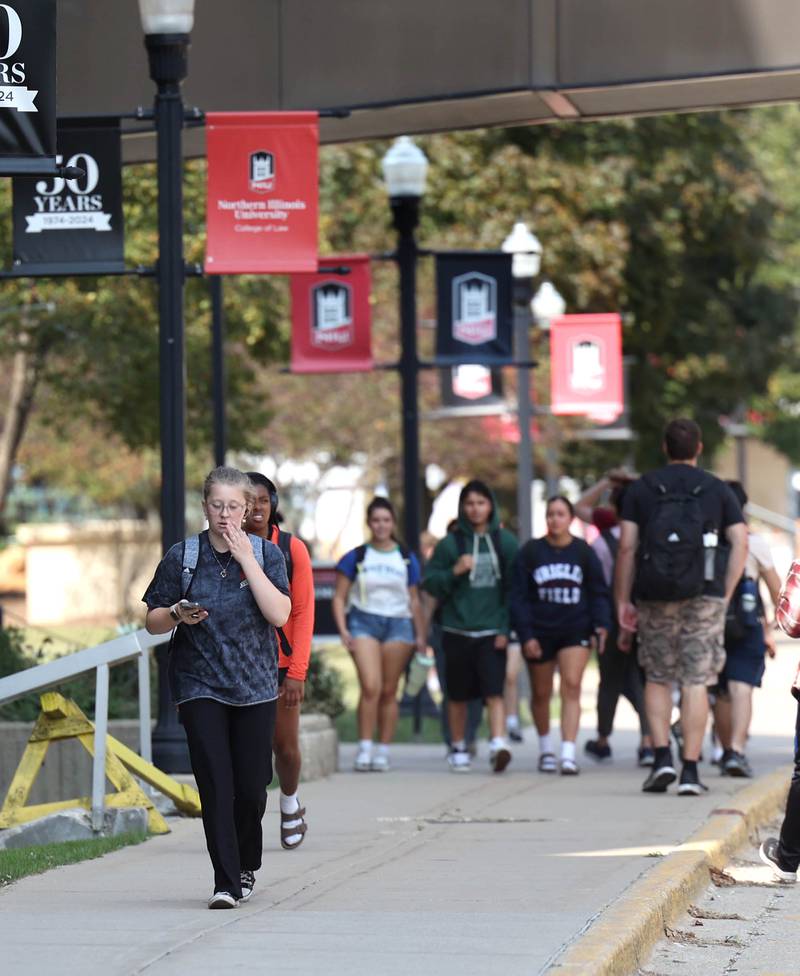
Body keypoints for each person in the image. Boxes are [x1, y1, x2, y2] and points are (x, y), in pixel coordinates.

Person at [142, 467, 291, 909]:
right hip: (199, 682)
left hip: (255, 685)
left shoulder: (266, 555)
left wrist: (247, 559)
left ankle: (246, 863)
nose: (224, 514)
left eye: (234, 507)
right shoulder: (183, 555)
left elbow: (280, 613)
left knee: (251, 787)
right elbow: (152, 620)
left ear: (247, 510)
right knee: (214, 782)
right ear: (204, 506)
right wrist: (176, 614)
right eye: (216, 506)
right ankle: (225, 881)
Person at [615, 418, 748, 796]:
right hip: (704, 595)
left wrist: (623, 599)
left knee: (657, 676)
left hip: (654, 594)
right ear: (699, 448)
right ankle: (690, 770)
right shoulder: (716, 489)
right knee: (696, 680)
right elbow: (740, 541)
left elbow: (626, 547)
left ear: (664, 447)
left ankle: (660, 759)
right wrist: (725, 591)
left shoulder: (642, 489)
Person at [423, 479, 519, 773]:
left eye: (481, 503)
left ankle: (498, 743)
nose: (475, 509)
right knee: (458, 695)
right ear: (462, 508)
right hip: (456, 630)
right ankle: (458, 746)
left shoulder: (506, 543)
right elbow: (430, 583)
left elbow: (514, 592)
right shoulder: (450, 545)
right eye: (469, 504)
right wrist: (454, 571)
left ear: (491, 506)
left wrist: (505, 629)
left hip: (492, 631)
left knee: (495, 692)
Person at [510, 495, 611, 775]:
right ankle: (546, 750)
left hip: (574, 628)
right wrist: (526, 634)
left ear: (570, 518)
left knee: (572, 685)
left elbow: (598, 592)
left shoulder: (583, 552)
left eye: (561, 514)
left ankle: (568, 752)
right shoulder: (531, 552)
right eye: (551, 514)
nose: (555, 519)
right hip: (540, 631)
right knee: (541, 693)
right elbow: (518, 597)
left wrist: (600, 624)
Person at [244, 472, 314, 848]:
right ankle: (247, 819)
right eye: (248, 500)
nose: (256, 508)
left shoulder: (291, 549)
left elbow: (303, 613)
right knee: (250, 751)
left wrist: (297, 672)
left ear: (273, 506)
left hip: (281, 663)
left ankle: (289, 800)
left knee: (284, 746)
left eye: (263, 501)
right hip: (238, 663)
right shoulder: (224, 547)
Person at [331, 497, 426, 772]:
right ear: (369, 523)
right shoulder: (357, 557)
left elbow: (415, 599)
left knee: (388, 690)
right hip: (364, 622)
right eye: (376, 520)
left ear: (393, 523)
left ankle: (383, 749)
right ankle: (364, 747)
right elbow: (339, 597)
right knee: (370, 686)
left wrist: (421, 636)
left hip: (399, 624)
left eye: (386, 520)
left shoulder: (406, 558)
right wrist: (343, 629)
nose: (381, 525)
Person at [578, 478, 654, 766]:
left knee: (609, 680)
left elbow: (578, 506)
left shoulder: (602, 539)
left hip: (611, 616)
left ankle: (602, 739)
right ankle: (649, 741)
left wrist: (608, 481)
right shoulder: (649, 531)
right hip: (646, 614)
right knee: (645, 680)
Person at [712, 480, 781, 778]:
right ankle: (736, 751)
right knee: (742, 688)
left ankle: (725, 749)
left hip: (711, 621)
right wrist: (774, 625)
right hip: (746, 623)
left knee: (722, 691)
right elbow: (778, 592)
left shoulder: (708, 541)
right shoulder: (755, 544)